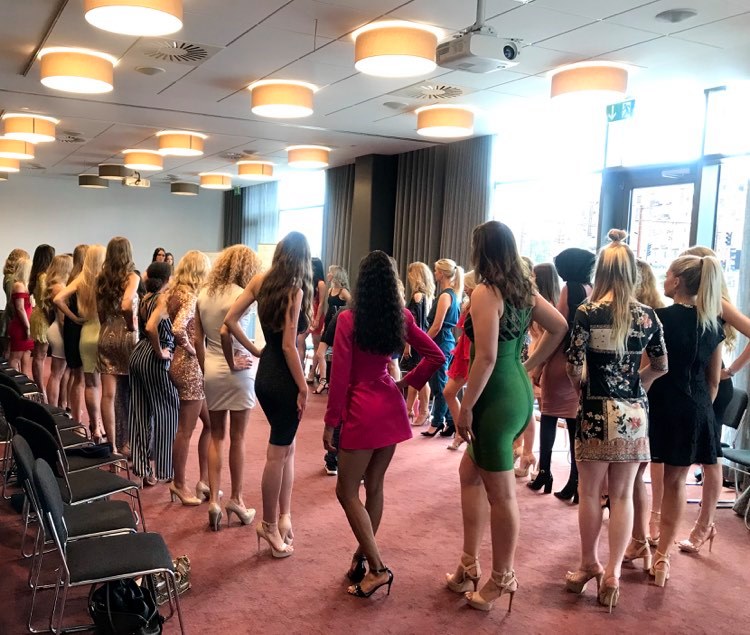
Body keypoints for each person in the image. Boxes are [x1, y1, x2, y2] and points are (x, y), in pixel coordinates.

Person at [446, 221, 568, 612]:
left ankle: (503, 577)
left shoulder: (486, 292)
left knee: (501, 495)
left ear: (480, 250)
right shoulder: (523, 289)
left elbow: (485, 357)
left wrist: (465, 407)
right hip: (514, 389)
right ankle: (469, 563)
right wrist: (528, 365)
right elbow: (559, 327)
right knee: (469, 474)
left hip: (494, 397)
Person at [324, 250, 444, 597]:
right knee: (374, 486)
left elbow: (340, 377)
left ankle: (377, 568)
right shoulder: (401, 316)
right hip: (389, 405)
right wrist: (406, 382)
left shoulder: (348, 320)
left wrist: (331, 422)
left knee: (346, 491)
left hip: (361, 410)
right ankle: (361, 558)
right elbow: (436, 355)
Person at [564, 229, 667, 613]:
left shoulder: (587, 312)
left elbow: (573, 364)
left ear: (602, 272)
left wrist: (582, 388)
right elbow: (661, 365)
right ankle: (612, 575)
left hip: (595, 408)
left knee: (591, 492)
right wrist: (637, 385)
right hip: (634, 414)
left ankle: (587, 563)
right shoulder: (648, 316)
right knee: (623, 495)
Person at [646, 245, 750, 552]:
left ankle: (704, 524)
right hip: (696, 385)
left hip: (705, 386)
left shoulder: (715, 303)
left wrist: (732, 369)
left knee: (709, 457)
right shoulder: (699, 310)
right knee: (680, 460)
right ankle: (659, 521)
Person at [637, 255, 724, 587]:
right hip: (695, 406)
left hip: (658, 403)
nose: (663, 280)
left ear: (676, 282)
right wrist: (698, 410)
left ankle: (638, 540)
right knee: (677, 482)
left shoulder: (657, 318)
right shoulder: (712, 324)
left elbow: (646, 370)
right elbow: (713, 380)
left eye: (667, 275)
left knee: (635, 475)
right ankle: (663, 557)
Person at [223, 233, 311, 557]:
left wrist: (254, 349)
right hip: (283, 379)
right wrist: (303, 386)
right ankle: (269, 525)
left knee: (287, 447)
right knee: (278, 453)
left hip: (265, 374)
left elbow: (230, 320)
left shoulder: (260, 281)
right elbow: (289, 346)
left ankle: (283, 518)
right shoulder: (294, 290)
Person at [196, 245, 262, 530]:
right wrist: (251, 352)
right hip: (238, 368)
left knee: (216, 436)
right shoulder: (241, 293)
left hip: (211, 368)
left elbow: (197, 340)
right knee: (238, 437)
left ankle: (213, 501)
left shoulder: (203, 294)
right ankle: (236, 499)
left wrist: (206, 368)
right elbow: (229, 329)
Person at [529, 248, 595, 501]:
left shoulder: (570, 289)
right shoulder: (591, 289)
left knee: (548, 417)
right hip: (581, 361)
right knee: (574, 422)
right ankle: (576, 480)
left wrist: (539, 365)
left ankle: (544, 473)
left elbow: (557, 329)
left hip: (560, 359)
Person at [166, 250, 213, 505]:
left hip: (182, 363)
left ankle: (204, 481)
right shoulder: (191, 296)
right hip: (190, 366)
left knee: (211, 424)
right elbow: (177, 328)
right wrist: (193, 348)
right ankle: (179, 483)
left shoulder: (175, 293)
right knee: (185, 429)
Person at [55, 245, 106, 442]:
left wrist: (74, 317)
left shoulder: (81, 279)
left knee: (86, 383)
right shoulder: (105, 279)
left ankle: (87, 425)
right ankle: (100, 425)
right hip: (101, 331)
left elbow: (58, 299)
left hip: (85, 332)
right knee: (104, 385)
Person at [515, 262, 561, 476]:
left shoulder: (546, 305)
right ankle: (529, 454)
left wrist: (535, 366)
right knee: (536, 412)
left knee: (537, 413)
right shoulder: (549, 303)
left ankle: (531, 455)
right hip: (536, 358)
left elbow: (546, 337)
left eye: (533, 275)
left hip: (539, 360)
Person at [96, 237, 140, 455]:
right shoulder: (132, 277)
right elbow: (126, 304)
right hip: (127, 338)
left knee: (108, 395)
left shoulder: (101, 279)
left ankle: (112, 446)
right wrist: (131, 324)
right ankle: (129, 443)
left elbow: (100, 313)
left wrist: (107, 326)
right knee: (132, 393)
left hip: (106, 335)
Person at [422, 259, 462, 437]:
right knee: (440, 383)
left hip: (441, 341)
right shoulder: (452, 294)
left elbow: (437, 325)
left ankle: (437, 422)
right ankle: (450, 421)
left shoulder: (446, 296)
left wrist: (423, 341)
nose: (434, 273)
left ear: (442, 273)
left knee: (439, 385)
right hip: (445, 341)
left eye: (436, 270)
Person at [446, 271, 476, 451]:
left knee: (474, 397)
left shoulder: (481, 303)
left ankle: (464, 433)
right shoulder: (468, 303)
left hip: (472, 353)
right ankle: (460, 432)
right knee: (449, 392)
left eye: (468, 285)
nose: (465, 288)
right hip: (462, 351)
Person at [403, 262, 435, 426]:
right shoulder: (427, 296)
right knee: (416, 376)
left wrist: (407, 345)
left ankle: (423, 411)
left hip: (416, 341)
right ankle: (408, 410)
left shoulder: (417, 296)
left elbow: (413, 324)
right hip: (423, 339)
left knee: (420, 377)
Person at [312, 265, 350, 394]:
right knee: (320, 353)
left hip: (339, 326)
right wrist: (324, 325)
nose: (328, 275)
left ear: (335, 275)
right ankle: (323, 381)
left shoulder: (343, 292)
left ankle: (336, 382)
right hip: (329, 324)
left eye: (330, 273)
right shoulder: (330, 290)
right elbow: (328, 310)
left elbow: (353, 305)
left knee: (338, 356)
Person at [61, 244, 88, 423]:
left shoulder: (72, 277)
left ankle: (74, 412)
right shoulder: (81, 279)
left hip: (71, 328)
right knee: (80, 377)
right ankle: (77, 419)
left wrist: (71, 318)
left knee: (76, 375)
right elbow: (58, 300)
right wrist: (76, 318)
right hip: (77, 328)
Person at [43, 254, 74, 408]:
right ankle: (53, 409)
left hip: (57, 328)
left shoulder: (57, 286)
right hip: (59, 331)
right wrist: (69, 338)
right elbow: (62, 318)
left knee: (59, 373)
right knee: (56, 374)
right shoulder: (59, 288)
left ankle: (58, 406)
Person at [29, 244, 56, 399]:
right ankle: (41, 389)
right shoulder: (43, 277)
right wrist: (52, 320)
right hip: (43, 318)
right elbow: (46, 302)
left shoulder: (38, 275)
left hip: (38, 315)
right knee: (40, 355)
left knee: (40, 354)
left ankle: (40, 388)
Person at [7, 256, 34, 373]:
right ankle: (11, 382)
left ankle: (25, 380)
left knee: (26, 356)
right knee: (15, 358)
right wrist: (27, 327)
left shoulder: (25, 285)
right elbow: (20, 308)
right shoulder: (19, 285)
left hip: (26, 324)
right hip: (21, 326)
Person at [2, 248, 30, 359]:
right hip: (13, 317)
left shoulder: (11, 277)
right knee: (10, 353)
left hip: (15, 317)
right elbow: (12, 302)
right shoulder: (12, 279)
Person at [306, 257, 327, 385]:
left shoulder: (321, 283)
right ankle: (300, 370)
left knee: (316, 346)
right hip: (308, 315)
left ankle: (312, 372)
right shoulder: (308, 281)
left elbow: (321, 303)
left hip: (316, 315)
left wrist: (317, 319)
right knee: (300, 341)